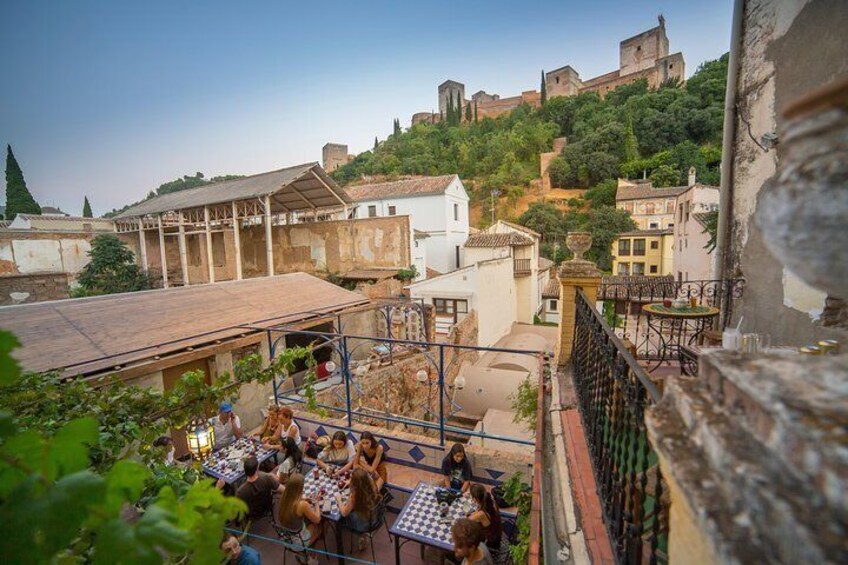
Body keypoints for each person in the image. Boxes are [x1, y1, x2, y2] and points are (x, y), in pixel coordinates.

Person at [217, 456, 283, 521]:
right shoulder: (267, 478)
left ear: (245, 471)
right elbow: (283, 490)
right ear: (257, 469)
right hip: (267, 507)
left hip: (250, 514)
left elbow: (233, 513)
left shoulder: (240, 491)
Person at [335, 468, 380, 552]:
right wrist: (350, 482)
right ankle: (362, 536)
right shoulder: (371, 485)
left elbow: (344, 513)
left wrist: (339, 499)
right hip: (374, 517)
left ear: (355, 484)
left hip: (362, 524)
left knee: (341, 518)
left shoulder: (355, 496)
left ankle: (361, 535)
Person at [277, 473, 324, 553]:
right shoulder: (302, 505)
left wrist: (305, 499)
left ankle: (305, 553)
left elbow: (294, 500)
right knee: (321, 525)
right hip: (298, 543)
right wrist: (316, 502)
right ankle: (310, 555)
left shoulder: (283, 498)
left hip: (286, 538)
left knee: (308, 521)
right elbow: (317, 519)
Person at [468, 484, 506, 559]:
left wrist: (471, 514)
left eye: (472, 497)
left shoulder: (482, 514)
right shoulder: (491, 501)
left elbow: (467, 520)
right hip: (497, 536)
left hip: (489, 543)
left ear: (475, 499)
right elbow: (477, 511)